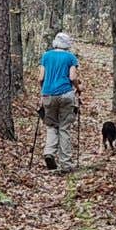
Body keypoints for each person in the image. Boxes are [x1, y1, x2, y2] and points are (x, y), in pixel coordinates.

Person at [39, 32, 81, 172]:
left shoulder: (46, 56)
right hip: (66, 94)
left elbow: (40, 78)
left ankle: (49, 152)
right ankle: (66, 164)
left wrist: (44, 90)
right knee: (64, 128)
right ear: (67, 44)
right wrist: (78, 87)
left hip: (48, 94)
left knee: (51, 126)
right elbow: (72, 76)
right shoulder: (70, 57)